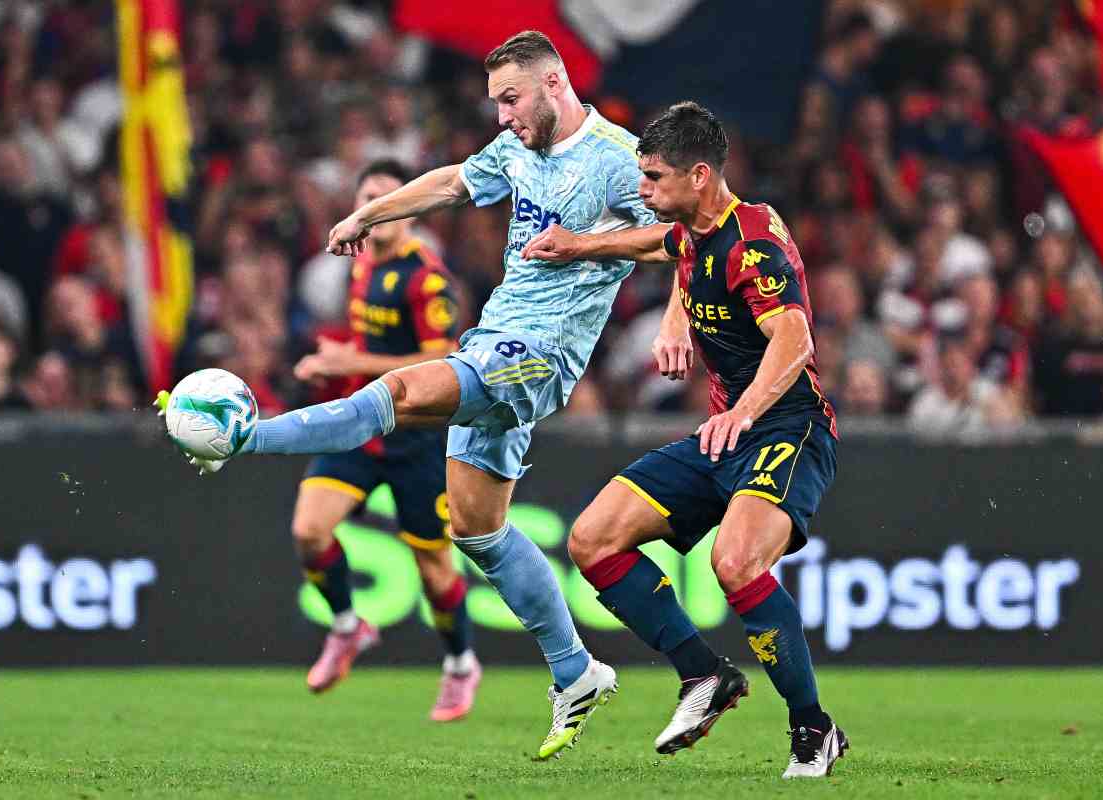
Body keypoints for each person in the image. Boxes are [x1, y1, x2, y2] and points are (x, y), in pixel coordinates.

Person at [158, 30, 656, 759]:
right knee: (478, 532)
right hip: (494, 341)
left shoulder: (617, 159)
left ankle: (245, 436)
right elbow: (455, 180)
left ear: (554, 82)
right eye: (495, 103)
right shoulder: (517, 150)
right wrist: (370, 213)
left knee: (394, 390)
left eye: (511, 99)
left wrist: (587, 250)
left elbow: (673, 237)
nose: (502, 117)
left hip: (540, 356)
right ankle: (576, 671)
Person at [521, 101, 846, 778]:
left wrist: (746, 411)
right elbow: (658, 244)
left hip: (787, 426)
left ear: (698, 176)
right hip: (728, 430)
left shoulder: (752, 245)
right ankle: (704, 675)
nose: (642, 189)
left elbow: (795, 337)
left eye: (654, 177)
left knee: (736, 563)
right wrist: (578, 246)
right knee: (592, 538)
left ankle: (813, 728)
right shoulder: (699, 227)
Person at [288, 159, 480, 722]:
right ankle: (348, 628)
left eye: (387, 197)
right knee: (308, 531)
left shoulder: (427, 277)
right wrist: (335, 362)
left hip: (416, 437)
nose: (377, 208)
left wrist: (355, 359)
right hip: (362, 424)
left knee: (435, 571)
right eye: (367, 197)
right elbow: (367, 344)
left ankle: (461, 664)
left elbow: (444, 358)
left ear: (410, 206)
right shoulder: (362, 265)